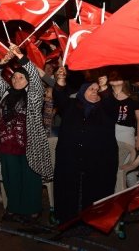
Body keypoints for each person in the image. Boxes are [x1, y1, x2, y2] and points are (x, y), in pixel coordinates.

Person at [0, 44, 53, 223]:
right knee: (10, 179)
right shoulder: (6, 93)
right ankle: (13, 208)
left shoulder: (34, 94)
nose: (16, 79)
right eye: (14, 76)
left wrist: (21, 56)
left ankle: (32, 210)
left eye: (21, 77)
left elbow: (37, 79)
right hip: (7, 145)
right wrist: (3, 61)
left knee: (31, 179)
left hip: (30, 145)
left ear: (29, 80)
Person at [52, 67, 119, 224]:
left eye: (97, 89)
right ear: (82, 91)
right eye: (91, 88)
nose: (94, 91)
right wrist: (61, 80)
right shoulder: (71, 106)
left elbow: (110, 103)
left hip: (98, 162)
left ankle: (93, 221)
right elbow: (59, 97)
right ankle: (68, 220)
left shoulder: (107, 109)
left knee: (95, 191)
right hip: (70, 160)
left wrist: (104, 87)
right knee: (69, 190)